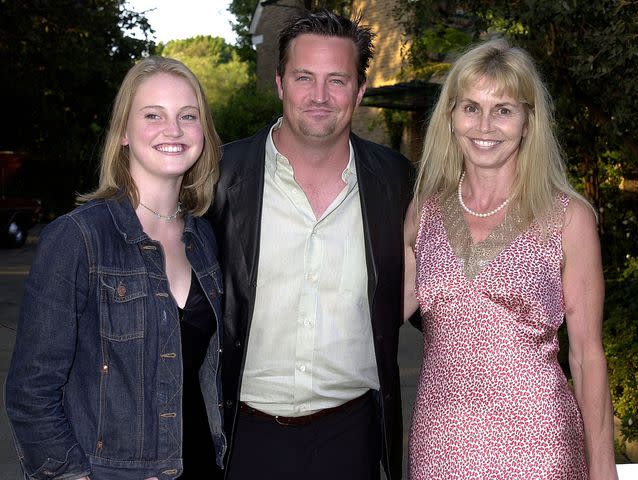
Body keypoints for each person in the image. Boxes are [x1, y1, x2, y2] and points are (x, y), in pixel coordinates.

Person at [208, 9, 412, 480]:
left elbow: (436, 295)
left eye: (337, 80)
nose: (319, 96)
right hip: (242, 437)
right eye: (304, 77)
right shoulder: (220, 178)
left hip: (352, 437)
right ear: (280, 83)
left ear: (359, 91)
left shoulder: (396, 182)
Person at [404, 38, 618, 479]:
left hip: (539, 442)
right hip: (441, 442)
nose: (485, 125)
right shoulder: (424, 209)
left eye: (503, 109)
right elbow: (377, 317)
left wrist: (603, 468)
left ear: (528, 121)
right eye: (470, 107)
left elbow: (587, 356)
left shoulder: (567, 218)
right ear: (450, 116)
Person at [5, 56, 226, 480]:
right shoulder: (77, 239)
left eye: (187, 116)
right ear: (123, 132)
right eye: (152, 115)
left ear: (204, 132)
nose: (173, 130)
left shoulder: (203, 238)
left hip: (202, 466)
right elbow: (30, 392)